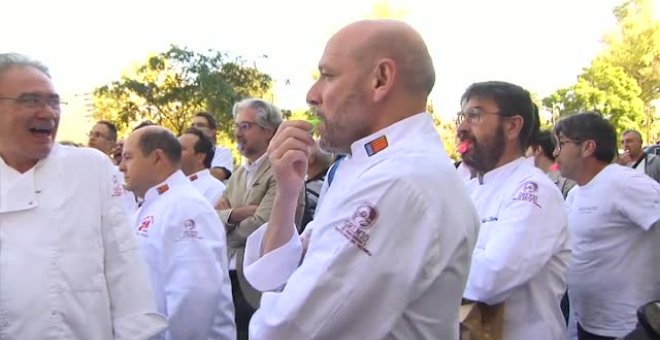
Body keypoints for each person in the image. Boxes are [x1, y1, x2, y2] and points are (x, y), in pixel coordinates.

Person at [241, 20, 479, 339]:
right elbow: (273, 276)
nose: (312, 95)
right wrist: (288, 191)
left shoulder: (396, 180)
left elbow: (289, 330)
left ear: (380, 79)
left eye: (327, 75)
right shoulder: (367, 165)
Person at [0, 53, 166, 338]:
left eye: (53, 102)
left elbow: (124, 267)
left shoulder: (90, 168)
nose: (48, 113)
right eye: (30, 101)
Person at [456, 81, 570, 340]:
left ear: (512, 126)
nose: (462, 127)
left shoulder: (533, 190)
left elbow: (490, 280)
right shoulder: (471, 188)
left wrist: (429, 257)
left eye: (475, 115)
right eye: (462, 117)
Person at [120, 125, 236, 339]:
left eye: (128, 157)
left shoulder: (186, 207)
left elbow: (194, 297)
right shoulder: (154, 204)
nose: (120, 166)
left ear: (157, 158)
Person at [553, 112, 660, 340]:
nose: (555, 153)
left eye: (562, 144)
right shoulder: (575, 194)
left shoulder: (625, 183)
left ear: (588, 147)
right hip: (588, 324)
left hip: (630, 329)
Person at [216, 98, 305, 340]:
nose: (236, 133)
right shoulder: (238, 174)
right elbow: (211, 219)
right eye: (236, 126)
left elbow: (263, 226)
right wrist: (236, 213)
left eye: (245, 126)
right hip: (227, 278)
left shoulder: (284, 170)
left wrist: (227, 221)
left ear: (268, 132)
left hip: (258, 286)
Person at [179, 127, 226, 205]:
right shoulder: (173, 185)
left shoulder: (216, 190)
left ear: (200, 157)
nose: (174, 152)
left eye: (181, 148)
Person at [527, 129, 576, 198]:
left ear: (537, 150)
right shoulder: (529, 181)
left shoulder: (567, 181)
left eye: (526, 149)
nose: (524, 155)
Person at [192, 111, 234, 181]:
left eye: (200, 125)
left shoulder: (222, 152)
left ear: (212, 131)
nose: (194, 128)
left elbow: (217, 175)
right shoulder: (183, 152)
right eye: (192, 125)